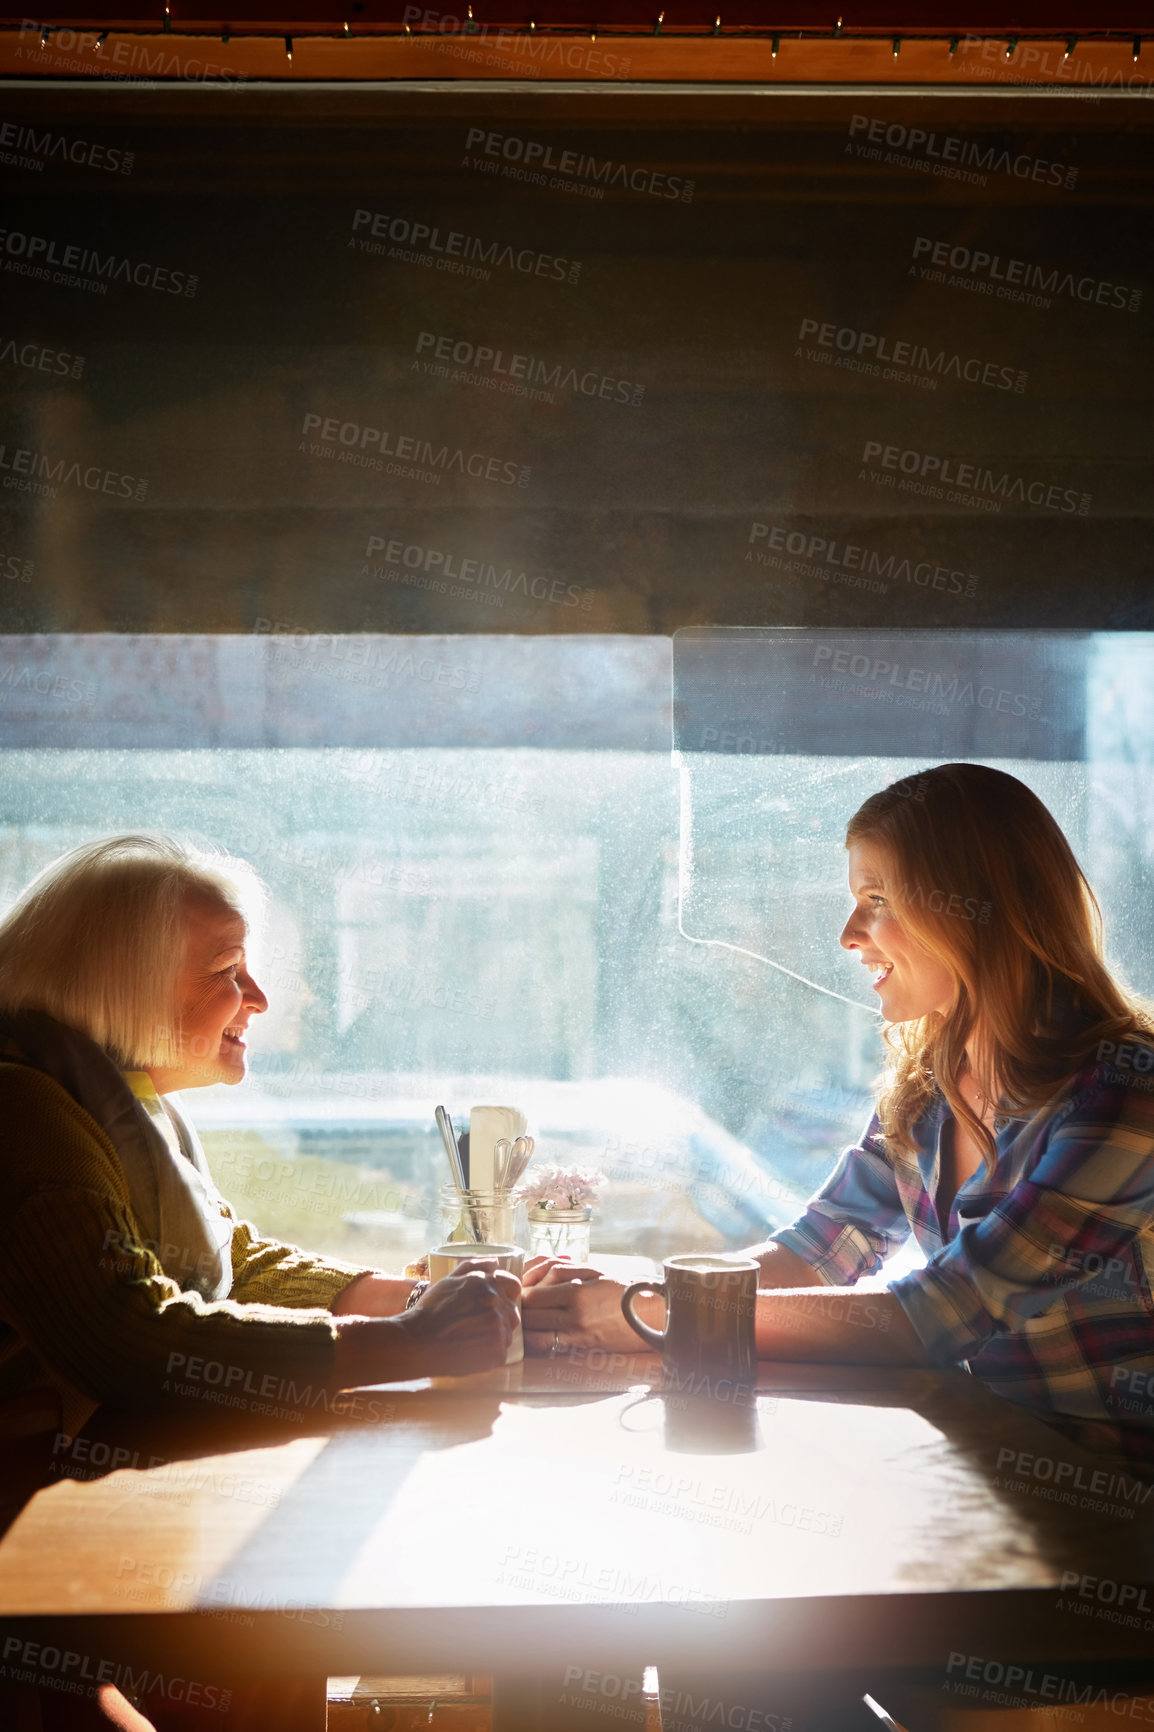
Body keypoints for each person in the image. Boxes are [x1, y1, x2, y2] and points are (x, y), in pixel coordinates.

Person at [0, 834, 520, 1732]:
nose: (260, 1000)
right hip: (37, 1535)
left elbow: (234, 1261)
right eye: (230, 971)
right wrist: (404, 1342)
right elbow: (128, 1336)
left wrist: (413, 1298)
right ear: (126, 979)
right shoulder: (22, 1112)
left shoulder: (112, 1103)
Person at [523, 764, 1154, 1466]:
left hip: (1115, 1504)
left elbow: (937, 1316)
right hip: (986, 1462)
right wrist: (641, 1286)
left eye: (878, 898)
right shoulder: (925, 1088)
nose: (849, 935)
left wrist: (651, 1312)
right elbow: (819, 1249)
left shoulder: (1128, 1093)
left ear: (979, 904)